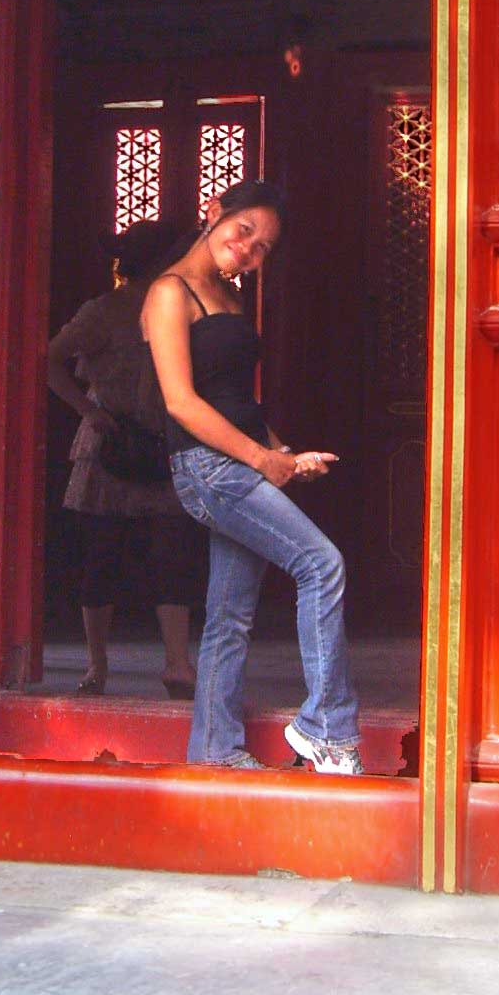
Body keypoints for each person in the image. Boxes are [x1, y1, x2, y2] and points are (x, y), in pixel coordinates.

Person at [141, 179, 362, 774]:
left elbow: (238, 403)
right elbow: (182, 403)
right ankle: (328, 730)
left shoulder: (231, 299)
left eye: (262, 247)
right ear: (214, 213)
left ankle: (214, 750)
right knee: (321, 565)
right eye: (244, 232)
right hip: (208, 469)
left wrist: (284, 454)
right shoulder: (170, 292)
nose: (248, 250)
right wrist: (262, 462)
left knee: (230, 616)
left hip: (237, 462)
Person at [47, 218, 200, 699]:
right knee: (105, 556)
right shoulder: (104, 311)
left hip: (164, 439)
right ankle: (99, 664)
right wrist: (88, 410)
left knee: (167, 551)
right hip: (111, 447)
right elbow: (49, 359)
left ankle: (174, 664)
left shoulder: (182, 307)